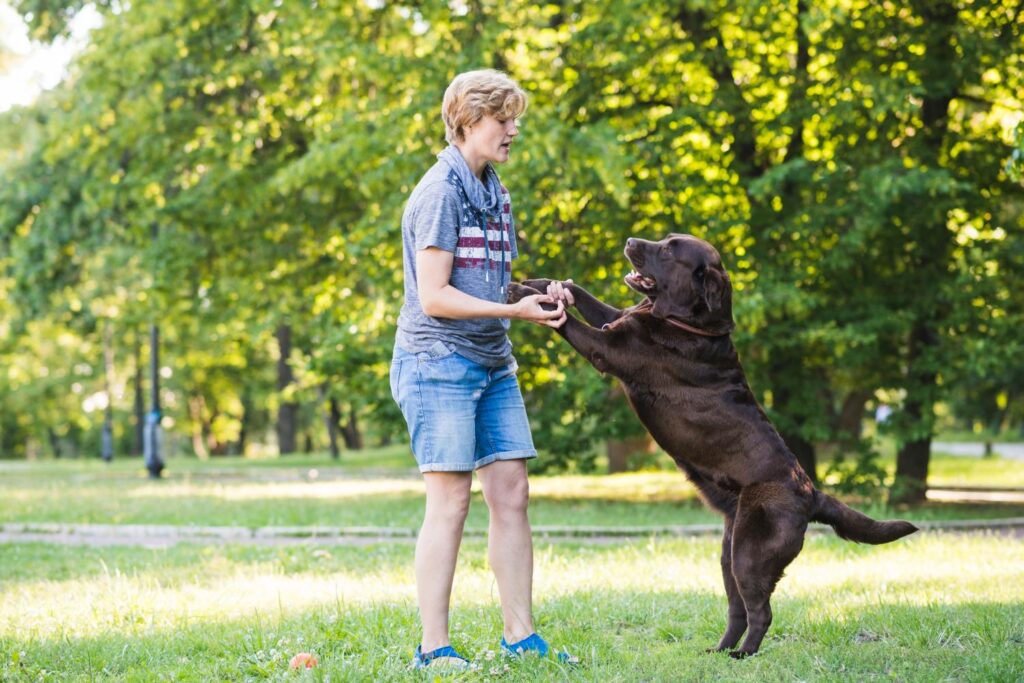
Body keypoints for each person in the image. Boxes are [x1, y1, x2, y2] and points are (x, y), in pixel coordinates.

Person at [390, 69, 574, 670]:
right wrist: (512, 311)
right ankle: (433, 648)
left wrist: (540, 295)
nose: (513, 130)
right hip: (437, 359)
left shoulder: (493, 189)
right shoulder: (440, 192)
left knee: (511, 491)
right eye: (504, 120)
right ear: (468, 122)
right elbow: (436, 297)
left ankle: (521, 638)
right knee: (451, 502)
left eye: (514, 118)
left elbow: (492, 284)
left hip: (492, 359)